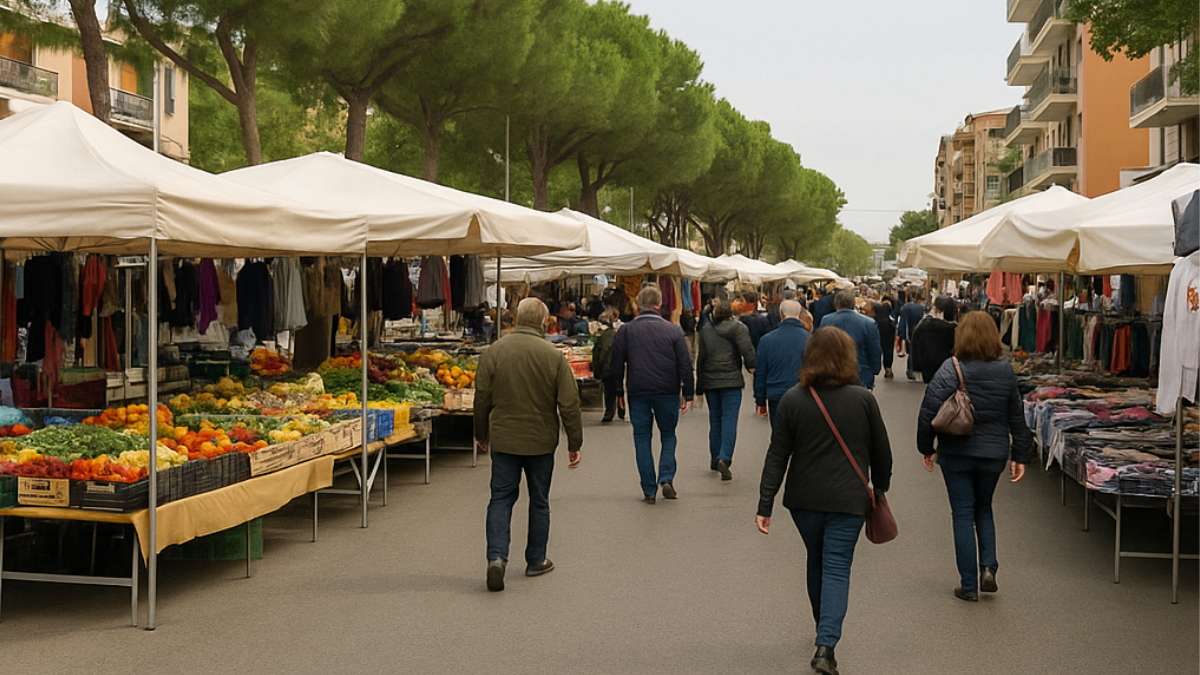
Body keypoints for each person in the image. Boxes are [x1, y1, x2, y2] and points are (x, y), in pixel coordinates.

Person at [756, 327, 893, 675]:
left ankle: (824, 629)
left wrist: (765, 504)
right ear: (849, 358)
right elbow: (883, 453)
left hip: (804, 500)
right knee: (836, 566)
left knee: (816, 560)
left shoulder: (792, 399)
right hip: (849, 498)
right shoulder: (863, 399)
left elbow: (777, 456)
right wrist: (880, 488)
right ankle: (826, 644)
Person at [916, 311, 1031, 602]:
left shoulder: (950, 368)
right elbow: (1017, 415)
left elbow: (928, 410)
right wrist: (1020, 454)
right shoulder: (1004, 370)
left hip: (956, 453)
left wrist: (926, 447)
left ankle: (968, 585)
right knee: (984, 508)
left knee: (963, 514)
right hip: (993, 454)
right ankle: (988, 567)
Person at [475, 298, 583, 593]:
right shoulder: (553, 357)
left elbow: (482, 396)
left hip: (505, 439)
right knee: (539, 500)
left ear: (517, 318)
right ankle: (536, 559)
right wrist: (575, 442)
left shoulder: (494, 352)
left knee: (500, 498)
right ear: (544, 323)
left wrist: (480, 432)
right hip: (541, 441)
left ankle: (496, 557)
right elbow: (569, 404)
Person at [610, 284, 695, 503]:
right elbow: (685, 364)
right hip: (667, 390)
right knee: (668, 435)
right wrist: (689, 391)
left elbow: (616, 364)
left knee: (641, 438)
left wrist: (618, 391)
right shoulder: (674, 330)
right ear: (659, 304)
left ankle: (648, 489)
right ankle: (666, 477)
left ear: (638, 305)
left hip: (638, 391)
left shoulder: (626, 331)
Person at [696, 298, 756, 481]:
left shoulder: (706, 330)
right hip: (731, 381)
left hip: (710, 381)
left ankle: (715, 458)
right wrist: (752, 368)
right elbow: (747, 350)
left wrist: (699, 388)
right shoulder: (738, 328)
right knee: (729, 420)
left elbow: (701, 359)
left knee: (715, 420)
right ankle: (725, 457)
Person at [753, 299, 810, 427]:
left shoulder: (766, 340)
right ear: (800, 313)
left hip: (776, 394)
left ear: (781, 314)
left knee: (779, 436)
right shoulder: (810, 339)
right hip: (804, 394)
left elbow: (760, 372)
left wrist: (760, 400)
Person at [816, 289, 882, 390]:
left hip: (833, 373)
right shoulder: (868, 323)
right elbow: (874, 349)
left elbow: (822, 347)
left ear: (836, 304)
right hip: (860, 374)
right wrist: (875, 369)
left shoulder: (826, 320)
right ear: (854, 303)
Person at [910, 295, 959, 384]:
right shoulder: (955, 329)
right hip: (950, 368)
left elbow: (915, 344)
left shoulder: (924, 325)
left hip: (928, 368)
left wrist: (915, 367)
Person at [590, 308, 623, 423]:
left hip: (606, 366)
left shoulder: (601, 337)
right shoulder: (617, 334)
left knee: (609, 389)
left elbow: (596, 353)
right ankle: (620, 410)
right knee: (618, 387)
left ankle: (609, 411)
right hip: (615, 364)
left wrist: (596, 370)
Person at [897, 288, 926, 380]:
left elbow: (902, 322)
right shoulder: (921, 308)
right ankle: (915, 369)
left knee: (910, 351)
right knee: (918, 351)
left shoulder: (904, 308)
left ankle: (910, 368)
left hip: (908, 332)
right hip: (920, 332)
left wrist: (901, 334)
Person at [872, 299, 896, 380]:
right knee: (888, 351)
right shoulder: (890, 321)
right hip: (888, 337)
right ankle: (888, 368)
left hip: (877, 337)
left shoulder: (874, 321)